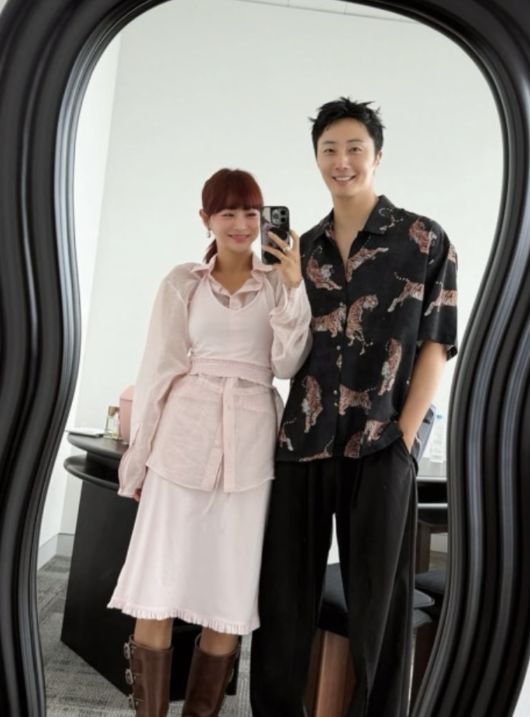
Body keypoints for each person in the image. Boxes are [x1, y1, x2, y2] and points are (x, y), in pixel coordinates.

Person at [250, 98, 458, 717]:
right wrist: (284, 282)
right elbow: (283, 348)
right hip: (303, 443)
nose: (341, 161)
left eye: (354, 148)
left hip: (381, 445)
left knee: (380, 608)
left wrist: (403, 436)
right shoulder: (302, 248)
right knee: (283, 599)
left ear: (377, 155)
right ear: (316, 159)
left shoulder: (424, 238)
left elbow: (435, 345)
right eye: (329, 150)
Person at [108, 168, 312, 717]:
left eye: (251, 213)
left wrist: (294, 286)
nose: (241, 224)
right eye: (228, 212)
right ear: (206, 219)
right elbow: (158, 371)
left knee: (228, 595)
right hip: (181, 443)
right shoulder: (183, 283)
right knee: (157, 586)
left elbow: (289, 363)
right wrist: (138, 460)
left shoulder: (279, 285)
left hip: (249, 455)